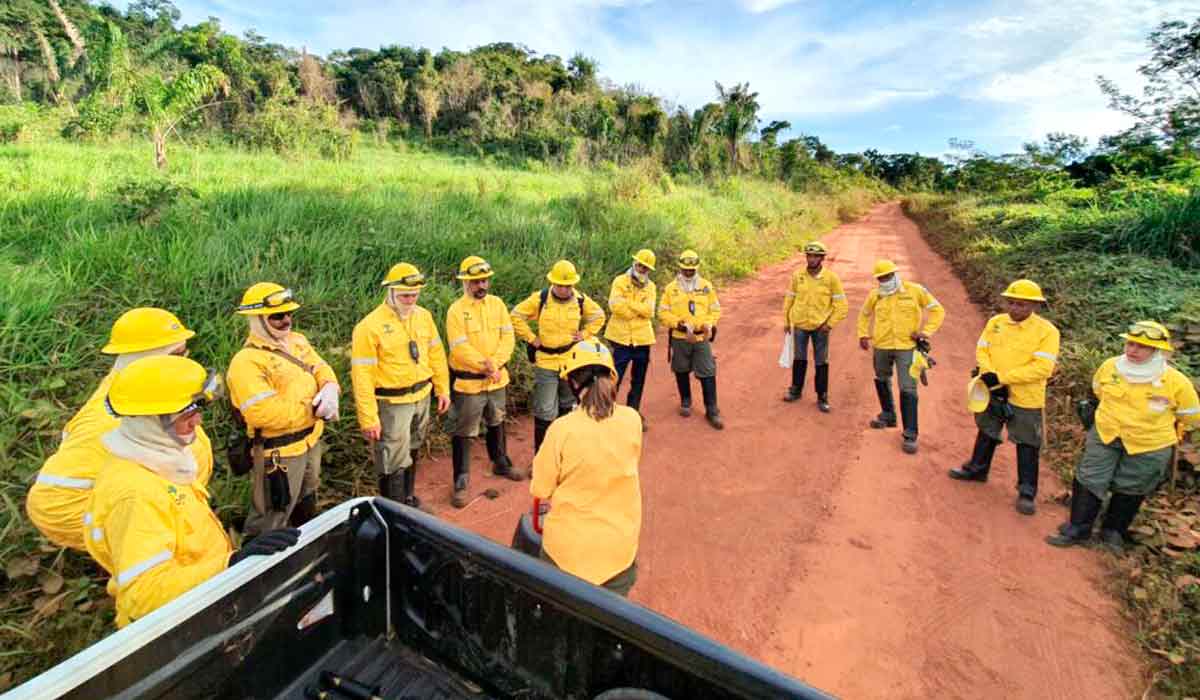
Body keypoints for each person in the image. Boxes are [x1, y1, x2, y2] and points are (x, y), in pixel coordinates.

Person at [84, 355, 299, 628]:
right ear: (150, 421)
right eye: (186, 414)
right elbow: (143, 594)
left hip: (202, 596)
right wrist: (230, 565)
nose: (197, 421)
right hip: (181, 622)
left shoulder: (158, 458)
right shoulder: (135, 494)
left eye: (198, 409)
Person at [27, 307, 205, 551]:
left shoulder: (139, 391)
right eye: (176, 355)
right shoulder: (117, 418)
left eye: (185, 352)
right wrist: (121, 527)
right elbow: (50, 503)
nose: (184, 362)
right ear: (146, 360)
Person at [1047, 321, 1199, 550]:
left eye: (1142, 347)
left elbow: (1191, 417)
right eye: (1130, 343)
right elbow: (1098, 389)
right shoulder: (1110, 367)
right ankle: (1078, 528)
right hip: (1107, 433)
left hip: (1149, 444)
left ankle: (1112, 532)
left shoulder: (1176, 382)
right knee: (1090, 477)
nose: (1132, 350)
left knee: (1133, 486)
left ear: (1158, 352)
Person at [529, 341, 642, 597]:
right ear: (612, 378)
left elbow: (541, 488)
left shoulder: (562, 428)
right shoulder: (632, 419)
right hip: (618, 552)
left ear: (572, 382)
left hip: (566, 555)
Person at [227, 282, 341, 534]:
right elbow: (262, 413)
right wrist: (313, 409)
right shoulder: (246, 362)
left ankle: (304, 550)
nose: (286, 320)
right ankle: (261, 567)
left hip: (310, 441)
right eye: (277, 316)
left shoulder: (297, 341)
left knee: (307, 498)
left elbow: (319, 366)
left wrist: (330, 386)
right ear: (257, 319)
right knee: (273, 516)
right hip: (279, 454)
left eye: (289, 313)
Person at [948, 279, 1060, 515]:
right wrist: (988, 375)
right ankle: (977, 469)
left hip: (1025, 396)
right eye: (1011, 303)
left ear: (1034, 306)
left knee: (1027, 442)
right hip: (991, 388)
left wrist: (1000, 378)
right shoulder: (996, 323)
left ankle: (1027, 491)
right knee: (987, 427)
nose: (1015, 308)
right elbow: (983, 349)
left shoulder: (1047, 332)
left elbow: (1042, 368)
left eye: (1022, 304)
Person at [352, 263, 450, 510]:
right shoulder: (369, 327)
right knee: (393, 457)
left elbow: (436, 354)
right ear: (391, 292)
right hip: (393, 404)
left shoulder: (424, 317)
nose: (410, 299)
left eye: (415, 295)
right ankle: (393, 511)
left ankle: (408, 499)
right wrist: (369, 418)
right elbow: (362, 375)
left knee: (414, 446)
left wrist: (442, 388)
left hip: (422, 396)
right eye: (405, 295)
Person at [445, 255, 521, 509]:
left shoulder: (497, 305)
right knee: (465, 430)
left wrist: (496, 364)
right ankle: (461, 479)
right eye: (476, 281)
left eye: (485, 281)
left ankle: (500, 461)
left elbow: (508, 338)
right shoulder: (456, 311)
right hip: (469, 384)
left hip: (496, 378)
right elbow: (458, 348)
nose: (482, 286)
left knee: (497, 419)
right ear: (466, 282)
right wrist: (485, 365)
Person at [511, 259, 606, 456]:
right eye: (561, 285)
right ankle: (541, 456)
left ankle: (565, 454)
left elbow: (599, 316)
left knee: (568, 408)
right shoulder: (541, 299)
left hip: (570, 362)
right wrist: (531, 338)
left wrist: (585, 334)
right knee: (545, 411)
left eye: (568, 285)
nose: (564, 289)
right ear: (553, 282)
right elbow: (516, 315)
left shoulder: (580, 300)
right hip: (546, 362)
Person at [856, 260, 945, 454]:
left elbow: (938, 310)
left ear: (895, 274)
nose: (884, 280)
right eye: (881, 278)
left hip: (907, 347)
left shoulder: (915, 291)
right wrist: (862, 334)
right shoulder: (875, 295)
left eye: (887, 276)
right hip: (882, 345)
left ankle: (910, 434)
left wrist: (926, 332)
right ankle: (888, 415)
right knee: (881, 378)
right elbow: (864, 314)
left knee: (908, 387)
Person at [658, 249, 724, 430]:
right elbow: (662, 312)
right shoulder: (671, 289)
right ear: (680, 268)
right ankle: (685, 400)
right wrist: (677, 324)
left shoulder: (706, 286)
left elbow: (715, 309)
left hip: (701, 337)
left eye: (692, 270)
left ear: (697, 268)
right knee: (681, 369)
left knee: (707, 370)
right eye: (685, 269)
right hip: (680, 337)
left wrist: (709, 324)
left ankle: (712, 409)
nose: (688, 272)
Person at [782, 241, 848, 412]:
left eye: (815, 256)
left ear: (822, 258)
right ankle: (795, 390)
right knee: (799, 358)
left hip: (821, 327)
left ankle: (822, 396)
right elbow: (789, 298)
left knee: (821, 361)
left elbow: (842, 306)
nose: (811, 259)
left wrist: (830, 324)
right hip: (800, 325)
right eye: (809, 256)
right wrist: (786, 321)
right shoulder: (798, 276)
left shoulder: (831, 279)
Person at [605, 249, 658, 430]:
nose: (642, 269)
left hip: (642, 340)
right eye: (640, 265)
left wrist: (629, 306)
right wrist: (637, 309)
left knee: (639, 379)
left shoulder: (651, 287)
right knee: (614, 377)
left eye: (646, 267)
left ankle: (633, 412)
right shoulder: (620, 281)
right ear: (634, 263)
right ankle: (607, 413)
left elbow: (649, 311)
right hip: (620, 339)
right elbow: (615, 306)